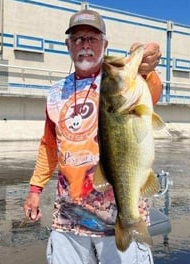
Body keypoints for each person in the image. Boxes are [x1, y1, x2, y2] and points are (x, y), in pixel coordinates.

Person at [23, 8, 162, 264]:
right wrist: (35, 189)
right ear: (68, 45)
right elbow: (49, 146)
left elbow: (150, 90)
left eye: (92, 38)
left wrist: (147, 66)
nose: (85, 45)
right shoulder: (55, 93)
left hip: (119, 217)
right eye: (78, 39)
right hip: (67, 218)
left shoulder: (117, 80)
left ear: (105, 44)